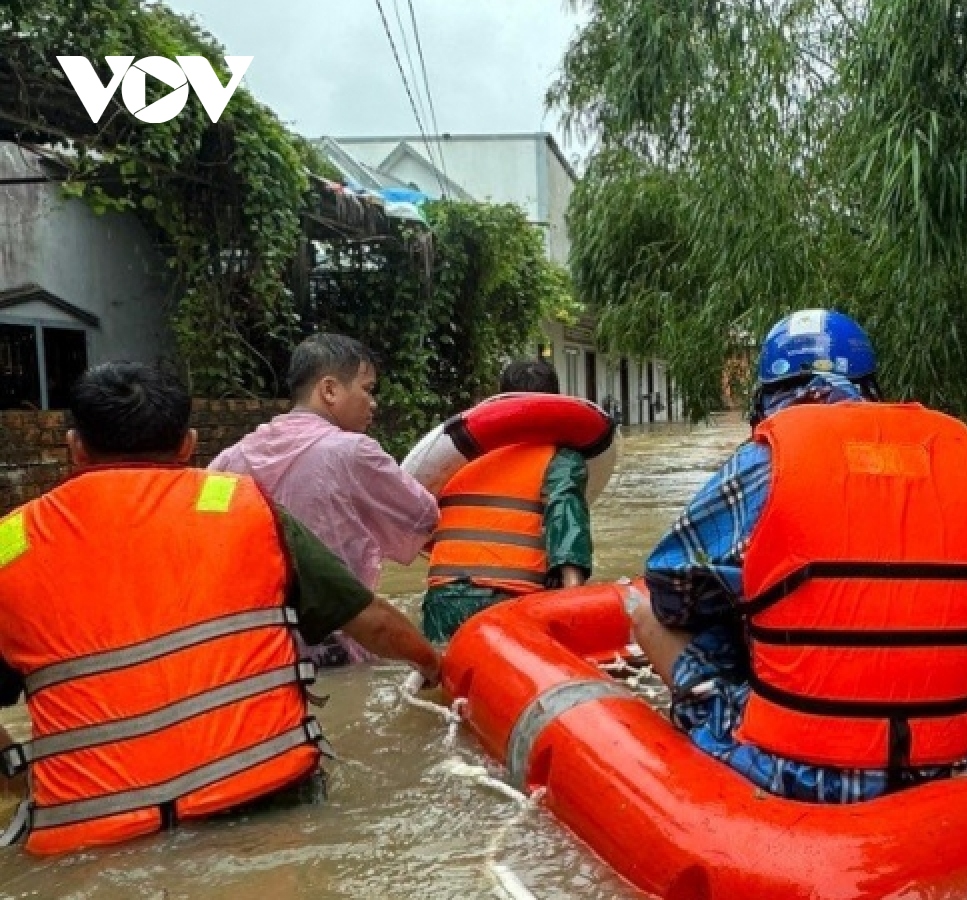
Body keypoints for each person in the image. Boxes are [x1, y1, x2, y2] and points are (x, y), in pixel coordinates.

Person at [0, 363, 439, 855]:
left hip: (95, 833)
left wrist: (17, 778)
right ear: (188, 445)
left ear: (75, 448)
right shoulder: (245, 507)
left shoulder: (10, 545)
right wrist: (432, 663)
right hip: (267, 800)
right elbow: (370, 620)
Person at [630, 309, 967, 803]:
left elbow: (670, 586)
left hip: (797, 770)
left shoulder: (766, 457)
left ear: (766, 395)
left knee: (647, 614)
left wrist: (755, 603)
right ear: (868, 385)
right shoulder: (959, 451)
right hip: (962, 757)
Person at [210, 333, 438, 667]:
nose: (373, 403)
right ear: (329, 390)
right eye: (368, 389)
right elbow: (424, 516)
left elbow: (207, 528)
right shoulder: (353, 452)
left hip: (254, 649)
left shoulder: (230, 459)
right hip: (335, 642)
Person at [419, 359, 595, 642]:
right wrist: (573, 599)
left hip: (444, 598)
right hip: (513, 599)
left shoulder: (457, 456)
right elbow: (566, 518)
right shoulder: (561, 459)